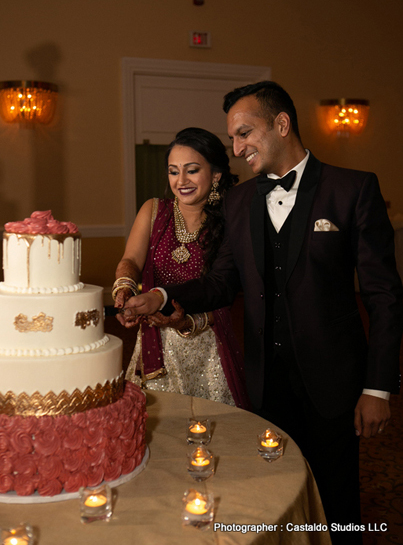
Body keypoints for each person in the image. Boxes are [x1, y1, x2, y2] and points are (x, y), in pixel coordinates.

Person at [123, 81, 403, 544]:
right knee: (274, 489)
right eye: (232, 138)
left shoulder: (351, 189)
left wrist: (378, 388)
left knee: (337, 498)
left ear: (281, 124)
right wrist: (163, 297)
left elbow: (385, 296)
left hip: (334, 381)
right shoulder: (238, 201)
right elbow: (222, 282)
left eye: (244, 133)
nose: (236, 148)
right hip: (265, 382)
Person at [113, 127, 249, 409]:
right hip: (155, 344)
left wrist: (185, 322)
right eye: (174, 171)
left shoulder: (231, 220)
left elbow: (222, 291)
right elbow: (131, 261)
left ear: (216, 174)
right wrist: (124, 289)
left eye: (192, 170)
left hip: (209, 349)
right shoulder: (153, 210)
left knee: (210, 436)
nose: (181, 181)